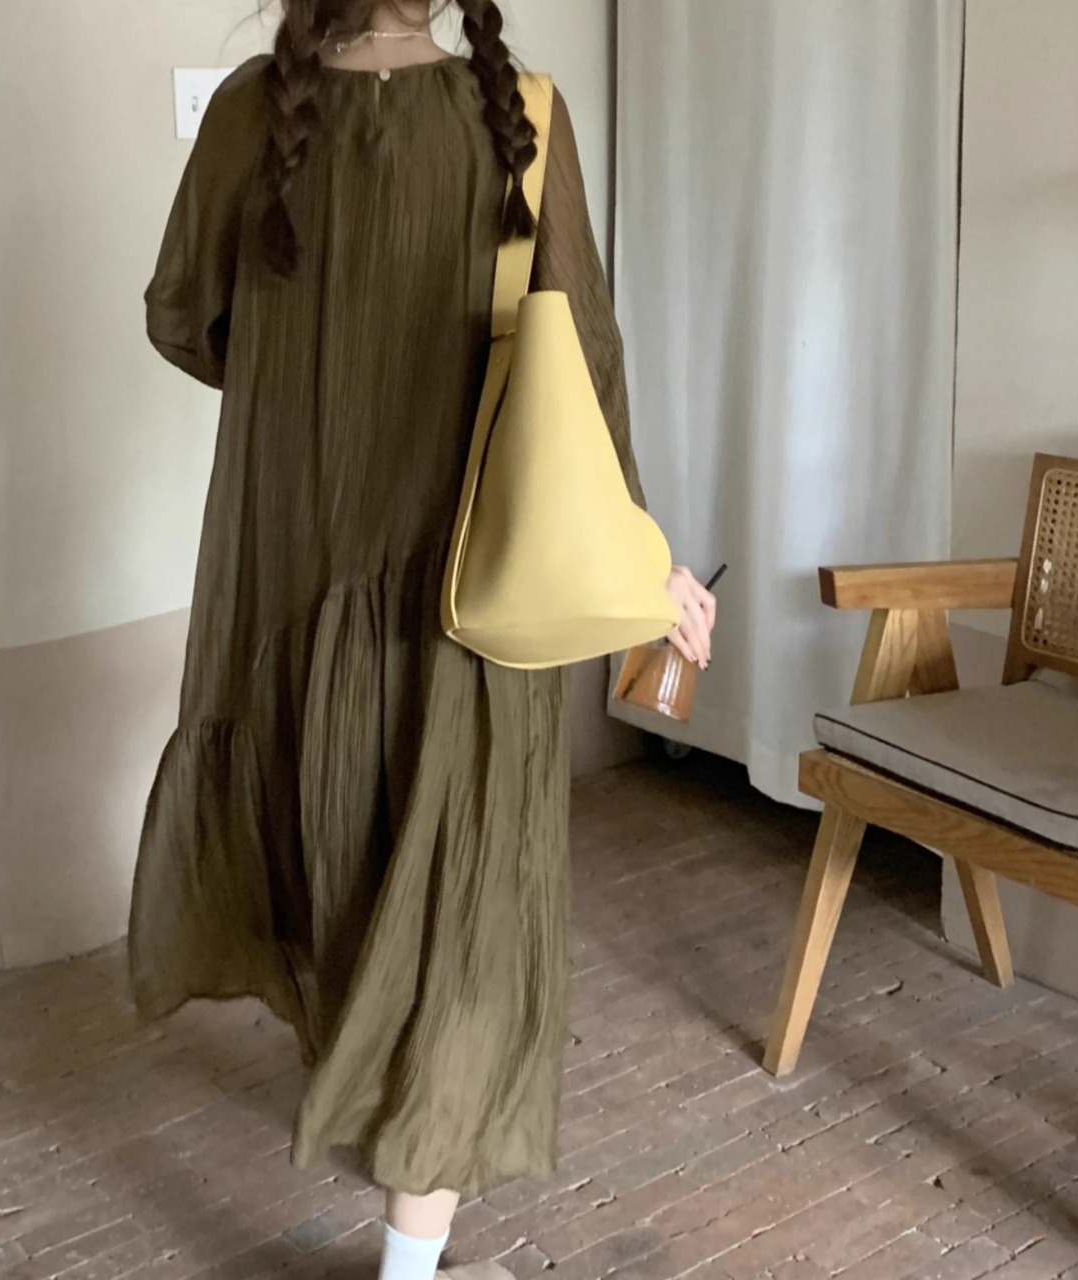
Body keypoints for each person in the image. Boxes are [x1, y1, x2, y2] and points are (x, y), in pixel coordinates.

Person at [128, 2, 718, 1277]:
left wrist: (306, 376)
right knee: (462, 911)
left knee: (330, 854)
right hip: (468, 594)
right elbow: (584, 363)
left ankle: (363, 1092)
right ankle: (411, 1254)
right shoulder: (522, 119)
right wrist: (646, 559)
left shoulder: (249, 114)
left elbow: (183, 317)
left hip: (293, 575)